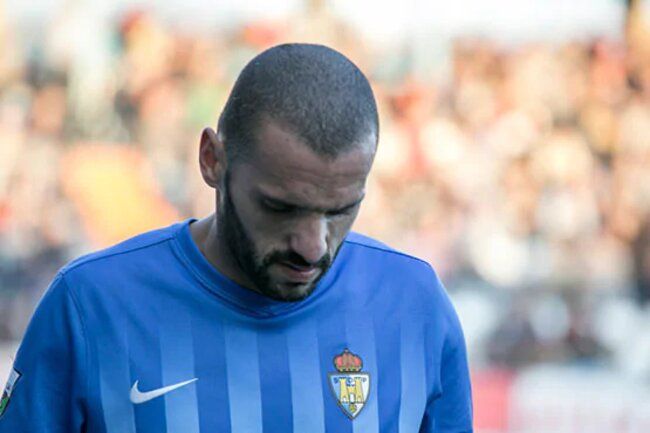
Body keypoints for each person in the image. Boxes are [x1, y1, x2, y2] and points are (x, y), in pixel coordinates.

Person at [0, 44, 473, 433]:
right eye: (280, 208)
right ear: (212, 159)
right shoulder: (91, 306)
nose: (312, 246)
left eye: (340, 210)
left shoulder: (414, 306)